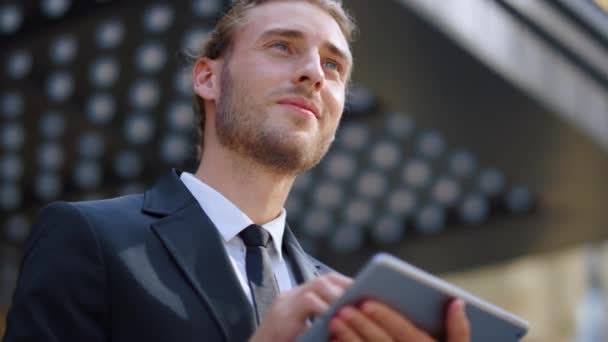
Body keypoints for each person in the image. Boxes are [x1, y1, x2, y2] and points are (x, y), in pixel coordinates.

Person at [3, 0, 471, 341]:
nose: (315, 73)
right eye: (283, 46)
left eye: (334, 64)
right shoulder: (89, 238)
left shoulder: (349, 304)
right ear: (207, 77)